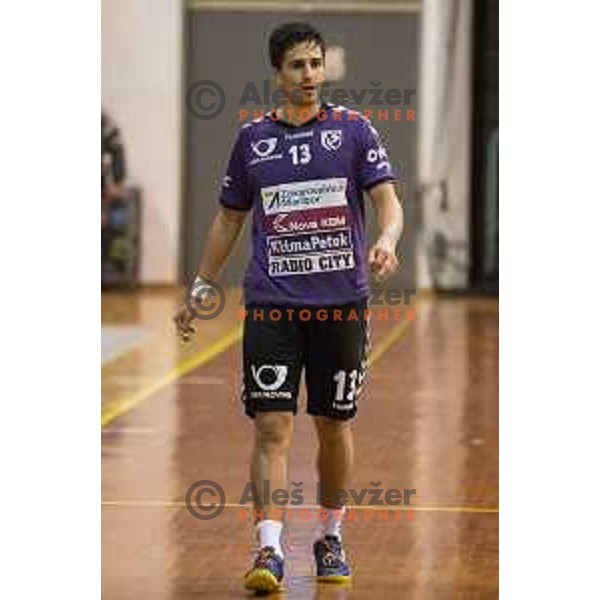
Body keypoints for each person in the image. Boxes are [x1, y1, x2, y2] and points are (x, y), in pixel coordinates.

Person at [174, 22, 404, 594]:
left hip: (341, 304)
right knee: (271, 425)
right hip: (273, 305)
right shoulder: (254, 139)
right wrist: (203, 285)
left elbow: (388, 202)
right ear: (277, 73)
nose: (309, 76)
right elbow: (229, 218)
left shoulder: (354, 131)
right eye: (298, 66)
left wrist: (388, 241)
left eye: (316, 64)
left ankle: (329, 535)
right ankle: (270, 548)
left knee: (333, 424)